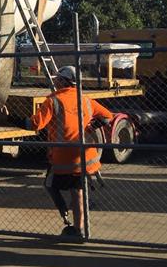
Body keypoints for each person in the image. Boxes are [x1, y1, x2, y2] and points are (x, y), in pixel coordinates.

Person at [27, 65, 113, 240]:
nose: (55, 81)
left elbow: (34, 125)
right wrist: (91, 126)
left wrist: (8, 119)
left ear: (62, 81)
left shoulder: (53, 101)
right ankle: (79, 229)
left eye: (57, 78)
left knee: (50, 185)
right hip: (83, 157)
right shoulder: (86, 100)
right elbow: (107, 116)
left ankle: (66, 217)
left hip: (62, 157)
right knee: (77, 191)